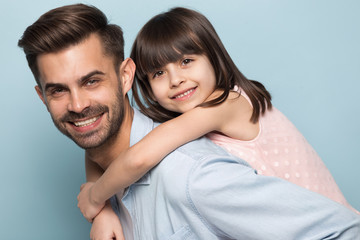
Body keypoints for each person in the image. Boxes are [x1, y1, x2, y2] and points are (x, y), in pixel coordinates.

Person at [18, 3, 360, 240]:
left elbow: (343, 230)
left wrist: (95, 198)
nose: (78, 105)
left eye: (92, 81)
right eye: (59, 91)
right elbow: (97, 143)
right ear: (42, 97)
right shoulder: (117, 170)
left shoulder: (192, 174)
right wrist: (101, 207)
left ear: (125, 78)